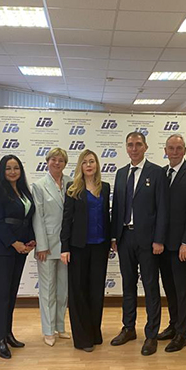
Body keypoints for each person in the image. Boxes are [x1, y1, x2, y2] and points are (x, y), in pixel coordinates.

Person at [110, 131, 168, 356]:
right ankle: (128, 328)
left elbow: (162, 208)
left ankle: (151, 334)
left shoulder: (157, 172)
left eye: (138, 144)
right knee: (128, 285)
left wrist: (159, 239)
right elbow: (117, 208)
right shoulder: (120, 173)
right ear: (126, 148)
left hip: (149, 240)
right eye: (130, 145)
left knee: (151, 286)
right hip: (125, 237)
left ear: (145, 147)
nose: (134, 148)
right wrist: (114, 236)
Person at [0, 155, 36, 359]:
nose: (13, 172)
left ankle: (8, 333)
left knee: (12, 291)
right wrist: (14, 243)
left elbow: (27, 219)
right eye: (8, 168)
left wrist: (31, 240)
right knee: (2, 294)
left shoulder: (24, 191)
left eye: (16, 168)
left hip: (21, 247)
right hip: (2, 248)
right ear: (2, 171)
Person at [60, 150, 111, 352]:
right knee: (78, 292)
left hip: (100, 246)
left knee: (96, 292)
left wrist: (112, 240)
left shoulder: (105, 187)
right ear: (80, 166)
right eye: (85, 162)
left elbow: (107, 216)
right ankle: (82, 338)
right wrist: (64, 248)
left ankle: (94, 332)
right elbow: (66, 220)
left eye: (92, 161)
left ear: (97, 165)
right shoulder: (73, 189)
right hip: (78, 247)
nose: (89, 165)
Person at [156, 134, 186, 352]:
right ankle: (174, 325)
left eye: (178, 148)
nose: (174, 152)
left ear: (185, 150)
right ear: (165, 150)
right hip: (162, 244)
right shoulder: (161, 173)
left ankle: (183, 333)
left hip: (181, 246)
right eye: (171, 148)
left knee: (182, 290)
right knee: (169, 288)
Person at [31, 148, 72, 347]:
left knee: (63, 289)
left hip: (67, 245)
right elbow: (37, 217)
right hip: (46, 246)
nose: (57, 163)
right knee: (48, 290)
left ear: (65, 163)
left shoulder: (72, 183)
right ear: (47, 162)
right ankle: (48, 330)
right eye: (53, 159)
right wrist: (41, 245)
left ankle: (60, 326)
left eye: (61, 160)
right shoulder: (39, 186)